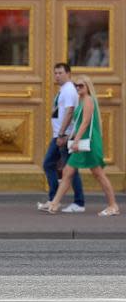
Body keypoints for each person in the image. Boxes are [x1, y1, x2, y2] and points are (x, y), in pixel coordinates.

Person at [46, 76, 119, 217]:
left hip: (88, 143)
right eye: (76, 86)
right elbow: (79, 124)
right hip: (82, 142)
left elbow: (85, 123)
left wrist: (76, 141)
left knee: (98, 174)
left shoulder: (88, 100)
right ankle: (54, 203)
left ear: (87, 87)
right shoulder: (81, 101)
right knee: (68, 171)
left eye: (81, 85)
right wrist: (70, 138)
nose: (78, 88)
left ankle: (113, 205)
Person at [38, 63, 85, 213]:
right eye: (56, 73)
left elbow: (70, 112)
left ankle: (77, 202)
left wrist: (62, 134)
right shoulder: (64, 90)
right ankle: (54, 200)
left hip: (64, 136)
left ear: (69, 74)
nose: (57, 76)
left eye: (60, 73)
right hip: (59, 135)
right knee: (57, 166)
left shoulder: (69, 90)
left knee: (66, 169)